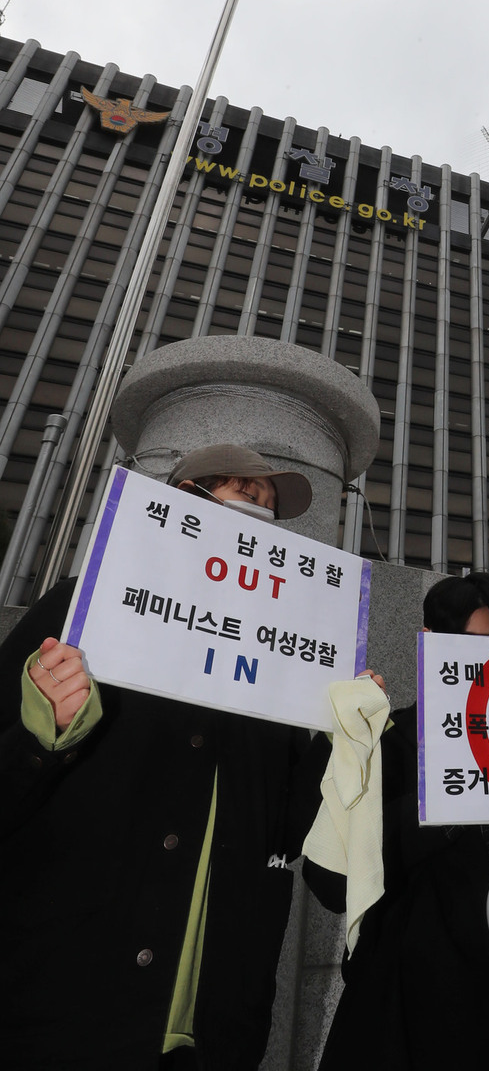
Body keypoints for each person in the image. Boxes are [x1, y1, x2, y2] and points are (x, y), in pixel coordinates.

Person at [0, 444, 335, 1071]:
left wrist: (347, 745)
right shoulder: (83, 608)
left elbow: (297, 837)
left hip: (212, 1035)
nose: (250, 529)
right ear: (177, 505)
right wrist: (45, 737)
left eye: (267, 516)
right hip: (60, 1014)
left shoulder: (283, 669)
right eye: (238, 499)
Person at [305, 572, 489, 1071]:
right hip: (407, 1010)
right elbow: (327, 880)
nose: (480, 659)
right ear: (428, 641)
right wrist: (446, 797)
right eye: (464, 645)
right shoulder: (386, 740)